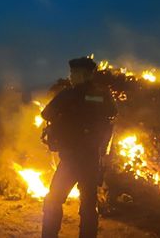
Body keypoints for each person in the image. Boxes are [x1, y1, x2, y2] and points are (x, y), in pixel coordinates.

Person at [41, 57, 117, 238]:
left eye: (73, 73)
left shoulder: (69, 94)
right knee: (89, 206)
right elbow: (113, 114)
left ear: (82, 74)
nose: (71, 76)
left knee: (53, 200)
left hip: (71, 159)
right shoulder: (103, 95)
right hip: (92, 159)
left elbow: (46, 113)